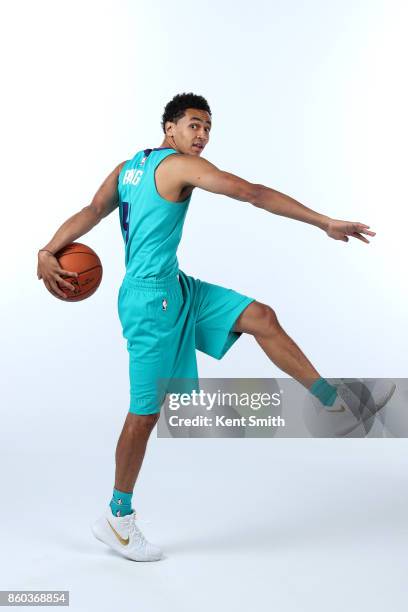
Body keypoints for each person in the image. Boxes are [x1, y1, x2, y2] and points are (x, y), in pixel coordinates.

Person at [37, 92, 395, 562]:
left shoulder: (129, 167)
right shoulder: (179, 166)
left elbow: (90, 210)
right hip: (150, 304)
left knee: (260, 317)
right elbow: (251, 193)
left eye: (207, 128)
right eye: (193, 125)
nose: (202, 135)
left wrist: (48, 249)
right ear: (169, 128)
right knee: (144, 414)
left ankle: (333, 404)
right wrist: (323, 221)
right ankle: (116, 518)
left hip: (176, 287)